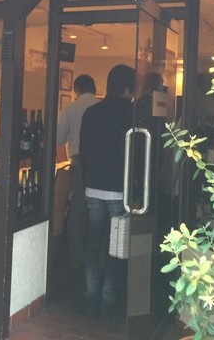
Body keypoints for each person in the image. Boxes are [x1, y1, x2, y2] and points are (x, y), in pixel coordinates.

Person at [79, 64, 135, 319]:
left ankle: (91, 294)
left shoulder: (91, 113)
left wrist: (85, 183)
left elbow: (83, 151)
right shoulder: (131, 114)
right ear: (128, 88)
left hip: (93, 187)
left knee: (93, 244)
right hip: (118, 191)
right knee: (115, 246)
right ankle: (108, 298)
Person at [56, 74, 99, 272]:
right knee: (99, 210)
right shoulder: (101, 107)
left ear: (76, 90)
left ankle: (76, 260)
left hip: (79, 162)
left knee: (78, 211)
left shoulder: (70, 109)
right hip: (101, 163)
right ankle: (96, 260)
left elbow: (58, 138)